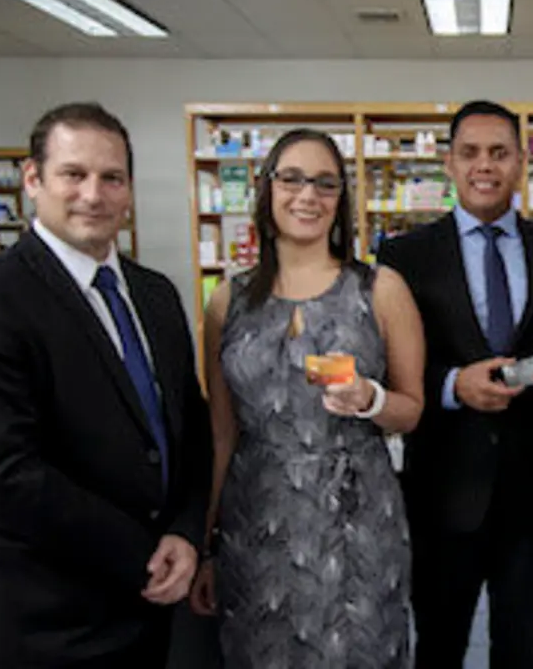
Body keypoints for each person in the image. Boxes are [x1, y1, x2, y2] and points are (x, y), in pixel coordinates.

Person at [0, 102, 212, 668]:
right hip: (50, 616)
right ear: (33, 179)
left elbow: (190, 425)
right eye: (73, 174)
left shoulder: (154, 295)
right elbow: (2, 471)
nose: (94, 194)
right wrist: (143, 552)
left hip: (148, 606)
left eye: (112, 178)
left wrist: (186, 532)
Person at [187, 128, 425, 669]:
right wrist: (204, 544)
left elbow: (412, 409)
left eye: (325, 183)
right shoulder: (228, 301)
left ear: (340, 200)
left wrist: (370, 399)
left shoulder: (380, 289)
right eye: (291, 179)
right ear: (266, 189)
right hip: (258, 521)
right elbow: (222, 434)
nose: (307, 196)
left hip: (357, 516)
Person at [377, 100, 533, 669]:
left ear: (521, 163)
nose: (485, 166)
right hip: (442, 491)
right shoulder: (404, 257)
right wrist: (452, 384)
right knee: (440, 644)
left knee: (521, 646)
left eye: (499, 153)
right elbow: (387, 366)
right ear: (448, 163)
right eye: (470, 153)